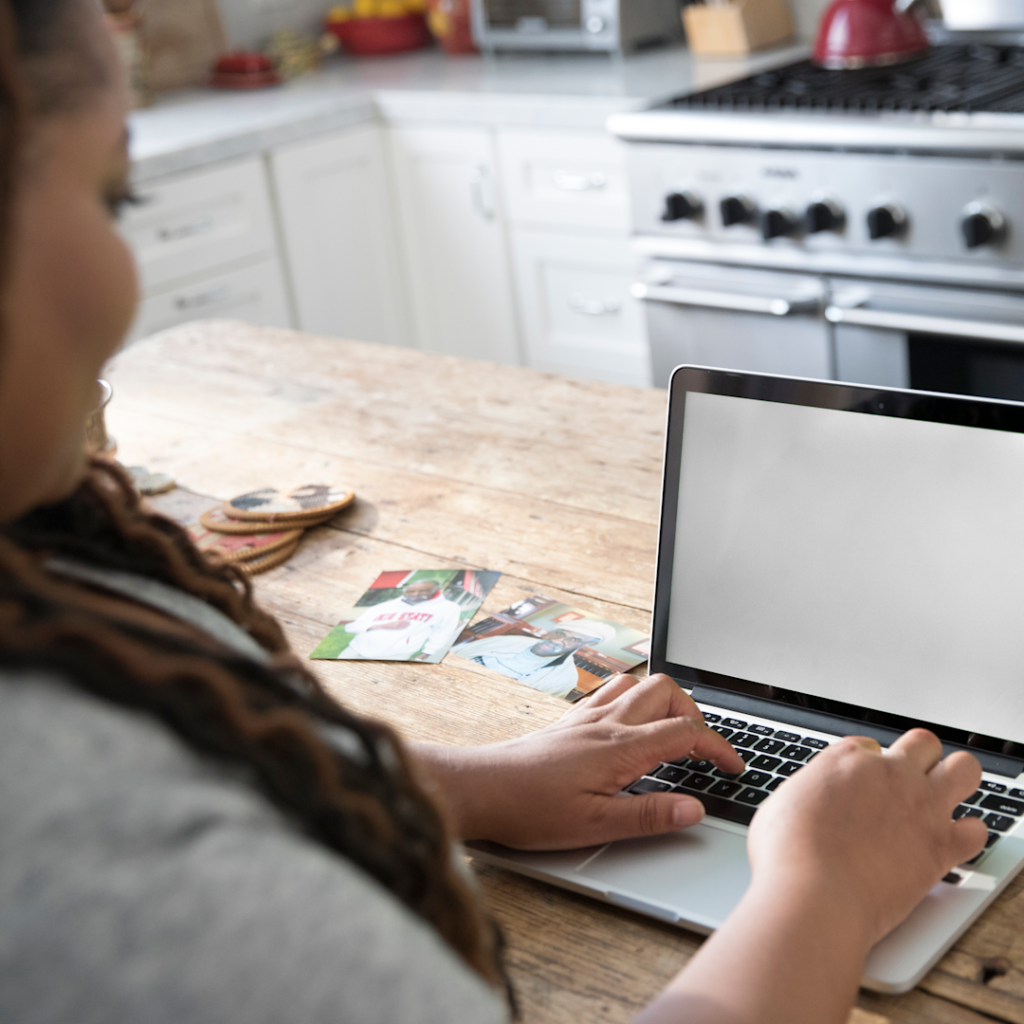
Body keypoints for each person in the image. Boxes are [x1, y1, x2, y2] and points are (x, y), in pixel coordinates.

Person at [0, 2, 989, 1022]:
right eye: (113, 195)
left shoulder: (51, 565)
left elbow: (224, 747)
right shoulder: (80, 842)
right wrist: (823, 888)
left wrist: (465, 783)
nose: (129, 279)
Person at [456, 619, 615, 697]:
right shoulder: (506, 640)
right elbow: (458, 654)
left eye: (574, 640)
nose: (557, 641)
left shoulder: (565, 679)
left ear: (584, 646)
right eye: (559, 634)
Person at [340, 577, 463, 661]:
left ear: (436, 591)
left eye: (423, 590)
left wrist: (425, 655)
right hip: (355, 649)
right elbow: (350, 627)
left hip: (394, 655)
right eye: (411, 591)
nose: (415, 594)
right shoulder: (385, 605)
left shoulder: (448, 608)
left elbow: (443, 633)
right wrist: (384, 626)